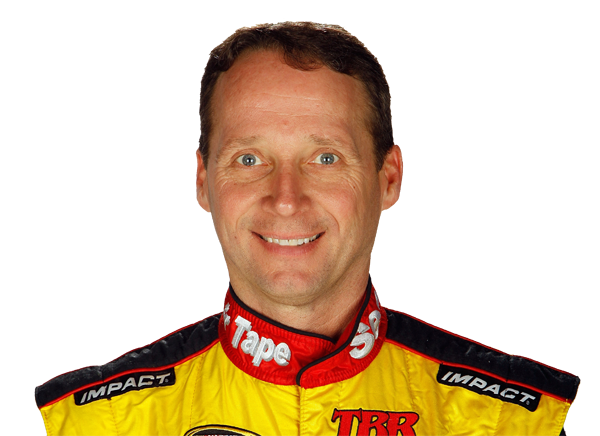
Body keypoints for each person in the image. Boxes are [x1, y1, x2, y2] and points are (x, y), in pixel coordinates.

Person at [35, 22, 578, 436]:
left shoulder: (535, 420)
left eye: (326, 158)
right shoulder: (71, 424)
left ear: (388, 180)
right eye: (249, 159)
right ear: (203, 183)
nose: (286, 199)